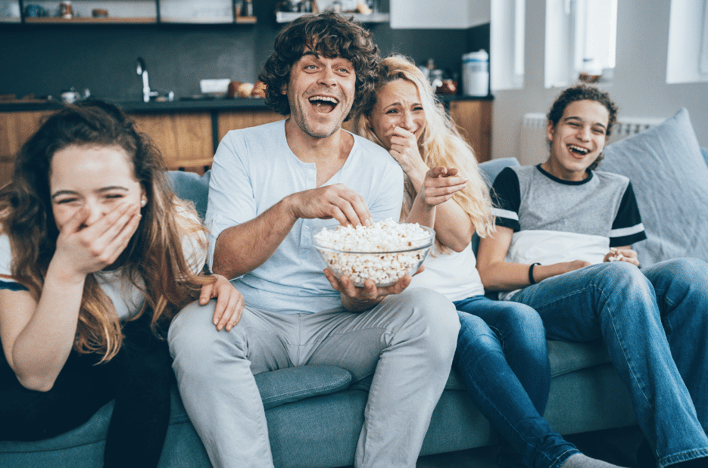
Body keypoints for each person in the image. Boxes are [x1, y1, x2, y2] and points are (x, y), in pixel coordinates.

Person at [167, 12, 460, 468]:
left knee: (434, 312)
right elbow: (222, 262)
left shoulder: (379, 166)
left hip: (339, 326)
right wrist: (292, 206)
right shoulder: (240, 148)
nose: (328, 79)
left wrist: (364, 294)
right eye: (311, 65)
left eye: (342, 70)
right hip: (254, 319)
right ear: (286, 82)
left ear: (354, 91)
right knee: (192, 329)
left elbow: (365, 288)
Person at [353, 55, 624, 468]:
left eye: (416, 108)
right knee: (477, 335)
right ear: (369, 120)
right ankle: (552, 456)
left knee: (523, 320)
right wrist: (409, 171)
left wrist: (417, 168)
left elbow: (460, 236)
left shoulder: (448, 154)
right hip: (422, 305)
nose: (408, 121)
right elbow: (396, 257)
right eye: (392, 111)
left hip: (468, 294)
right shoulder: (362, 168)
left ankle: (517, 458)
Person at [0, 101, 244, 468]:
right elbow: (36, 377)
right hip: (37, 351)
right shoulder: (14, 234)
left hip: (122, 342)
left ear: (143, 192)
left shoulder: (179, 231)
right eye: (68, 200)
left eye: (112, 196)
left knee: (146, 361)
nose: (93, 218)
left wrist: (209, 284)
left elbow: (180, 298)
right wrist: (67, 272)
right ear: (47, 201)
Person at [476, 84, 708, 468]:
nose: (585, 136)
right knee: (618, 279)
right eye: (574, 124)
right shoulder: (514, 180)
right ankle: (686, 457)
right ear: (551, 129)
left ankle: (683, 442)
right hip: (539, 296)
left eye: (597, 130)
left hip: (607, 293)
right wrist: (561, 270)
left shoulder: (618, 190)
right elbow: (488, 271)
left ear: (604, 140)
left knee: (694, 276)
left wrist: (624, 261)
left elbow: (631, 262)